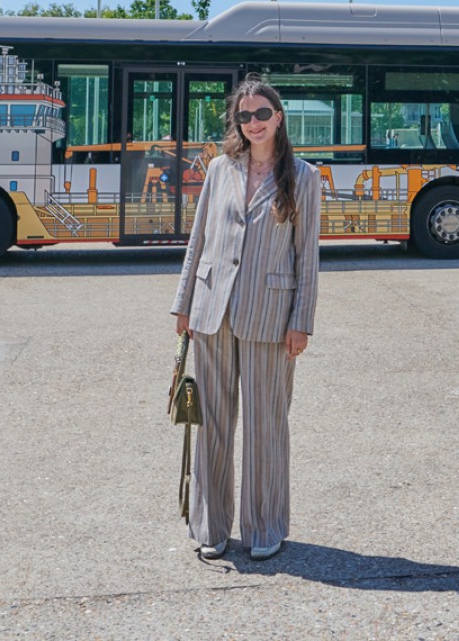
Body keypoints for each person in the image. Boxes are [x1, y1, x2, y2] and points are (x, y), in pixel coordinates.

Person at [171, 78, 321, 563]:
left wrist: (302, 321)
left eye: (262, 113)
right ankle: (211, 526)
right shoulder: (219, 169)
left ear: (279, 116)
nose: (253, 123)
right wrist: (184, 304)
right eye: (244, 116)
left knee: (265, 426)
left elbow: (308, 258)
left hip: (272, 317)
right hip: (212, 312)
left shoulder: (303, 176)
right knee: (212, 423)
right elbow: (199, 240)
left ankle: (264, 527)